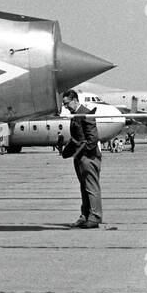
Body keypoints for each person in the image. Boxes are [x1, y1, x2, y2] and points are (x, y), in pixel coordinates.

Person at [61, 89, 102, 228]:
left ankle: (95, 217)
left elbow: (93, 138)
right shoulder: (76, 115)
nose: (66, 106)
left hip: (89, 156)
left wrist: (84, 154)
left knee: (91, 188)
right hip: (80, 156)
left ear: (75, 100)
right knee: (84, 188)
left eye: (67, 103)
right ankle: (85, 216)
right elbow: (77, 137)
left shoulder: (86, 113)